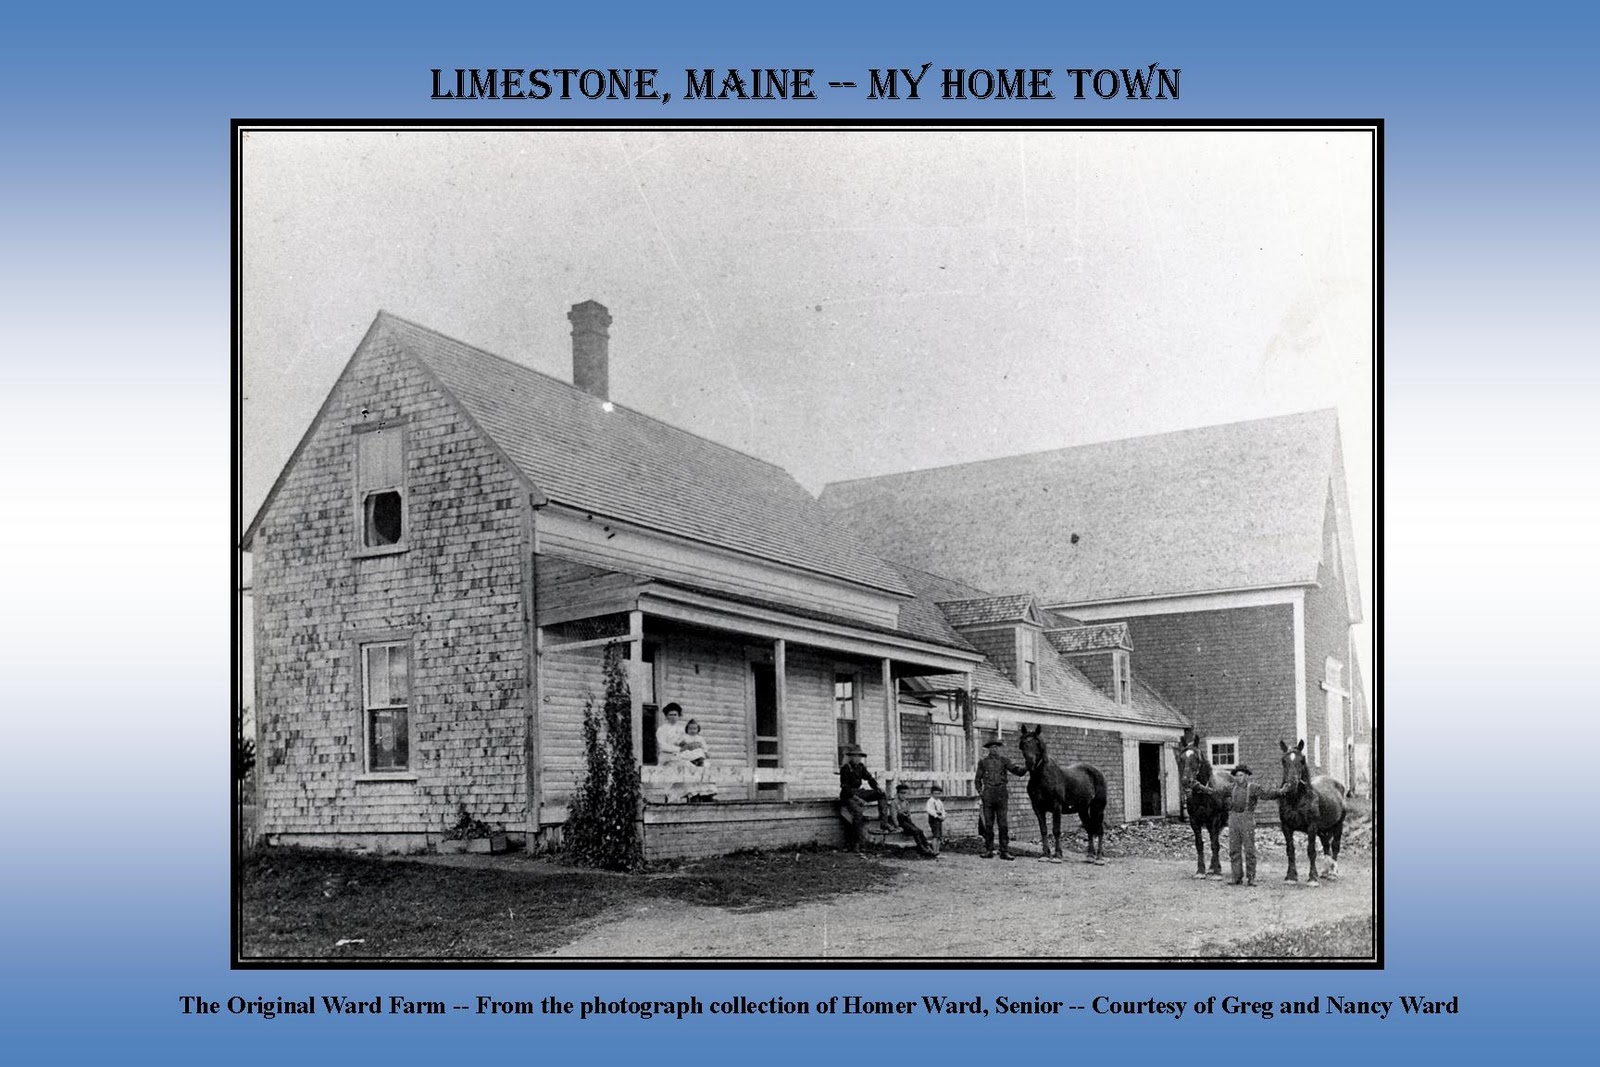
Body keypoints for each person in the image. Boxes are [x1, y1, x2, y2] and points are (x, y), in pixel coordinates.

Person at [1190, 764, 1286, 886]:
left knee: (1249, 850)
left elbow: (1268, 794)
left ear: (1246, 776)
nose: (1238, 778)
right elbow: (1214, 792)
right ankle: (1236, 877)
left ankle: (1251, 878)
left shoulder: (1254, 788)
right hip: (1233, 820)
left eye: (1241, 775)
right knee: (1234, 850)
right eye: (1236, 776)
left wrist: (1281, 791)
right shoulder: (1230, 788)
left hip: (1247, 820)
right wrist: (1201, 787)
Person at [974, 738, 1029, 860]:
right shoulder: (983, 762)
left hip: (1001, 794)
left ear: (999, 749)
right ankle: (989, 850)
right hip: (988, 795)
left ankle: (1004, 851)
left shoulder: (1004, 761)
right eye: (992, 747)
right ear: (988, 749)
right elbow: (977, 779)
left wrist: (1027, 767)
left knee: (1003, 824)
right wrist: (981, 792)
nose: (994, 749)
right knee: (988, 824)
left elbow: (1017, 771)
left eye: (996, 747)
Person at [837, 745, 885, 853]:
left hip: (859, 792)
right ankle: (858, 844)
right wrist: (858, 799)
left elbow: (869, 778)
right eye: (855, 756)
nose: (858, 759)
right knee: (858, 813)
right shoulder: (845, 769)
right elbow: (845, 788)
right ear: (851, 757)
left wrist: (877, 787)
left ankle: (884, 822)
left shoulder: (861, 767)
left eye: (859, 756)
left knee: (882, 794)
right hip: (848, 796)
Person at [888, 783, 939, 858]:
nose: (904, 795)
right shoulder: (894, 803)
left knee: (920, 831)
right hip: (900, 823)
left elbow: (908, 814)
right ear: (898, 794)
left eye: (905, 793)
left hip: (907, 822)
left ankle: (929, 848)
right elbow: (894, 816)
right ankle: (922, 849)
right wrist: (897, 826)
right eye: (902, 793)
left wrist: (908, 817)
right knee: (915, 831)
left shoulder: (906, 802)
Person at [680, 718, 718, 802]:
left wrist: (706, 753)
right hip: (689, 757)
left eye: (694, 729)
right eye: (690, 729)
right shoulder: (685, 738)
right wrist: (687, 746)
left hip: (699, 756)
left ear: (698, 729)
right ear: (687, 729)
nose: (692, 731)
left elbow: (704, 748)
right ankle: (694, 794)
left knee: (706, 767)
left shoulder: (700, 738)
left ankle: (707, 793)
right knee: (690, 770)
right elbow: (681, 748)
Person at [925, 783, 946, 854]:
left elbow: (943, 810)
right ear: (932, 794)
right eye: (935, 793)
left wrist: (943, 816)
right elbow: (929, 810)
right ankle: (934, 851)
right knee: (935, 835)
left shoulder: (939, 802)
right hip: (934, 819)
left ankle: (937, 850)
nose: (937, 795)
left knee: (939, 836)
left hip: (939, 819)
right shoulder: (930, 801)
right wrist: (936, 816)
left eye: (938, 793)